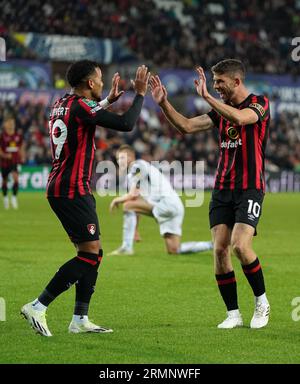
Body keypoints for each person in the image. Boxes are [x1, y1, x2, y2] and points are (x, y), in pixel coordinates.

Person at [21, 60, 150, 336]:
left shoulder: (61, 104)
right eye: (100, 79)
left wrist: (106, 101)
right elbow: (126, 124)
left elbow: (84, 115)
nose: (103, 83)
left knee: (94, 252)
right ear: (90, 83)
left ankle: (80, 319)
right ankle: (38, 305)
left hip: (63, 186)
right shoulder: (81, 107)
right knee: (89, 255)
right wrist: (139, 94)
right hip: (72, 189)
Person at [149, 59, 270, 329]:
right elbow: (186, 126)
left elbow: (240, 118)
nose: (216, 87)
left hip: (250, 187)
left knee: (240, 246)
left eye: (220, 82)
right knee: (219, 250)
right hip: (222, 189)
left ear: (237, 81)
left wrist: (205, 97)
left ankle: (262, 302)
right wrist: (163, 104)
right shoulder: (219, 113)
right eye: (213, 83)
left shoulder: (259, 103)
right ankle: (233, 314)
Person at [108, 145, 213, 255]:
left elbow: (133, 195)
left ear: (131, 156)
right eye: (117, 159)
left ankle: (126, 247)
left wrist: (116, 200)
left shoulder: (137, 166)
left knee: (127, 205)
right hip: (175, 206)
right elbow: (137, 199)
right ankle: (212, 245)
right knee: (174, 249)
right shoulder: (141, 168)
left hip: (165, 204)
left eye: (122, 158)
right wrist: (135, 229)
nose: (119, 162)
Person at [0, 115, 25, 209]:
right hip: (4, 162)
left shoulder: (18, 136)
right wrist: (5, 155)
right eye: (9, 123)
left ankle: (14, 198)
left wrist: (22, 156)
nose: (11, 125)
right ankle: (5, 198)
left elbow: (21, 146)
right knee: (5, 181)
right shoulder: (2, 136)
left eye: (12, 123)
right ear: (5, 124)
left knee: (16, 179)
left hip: (14, 161)